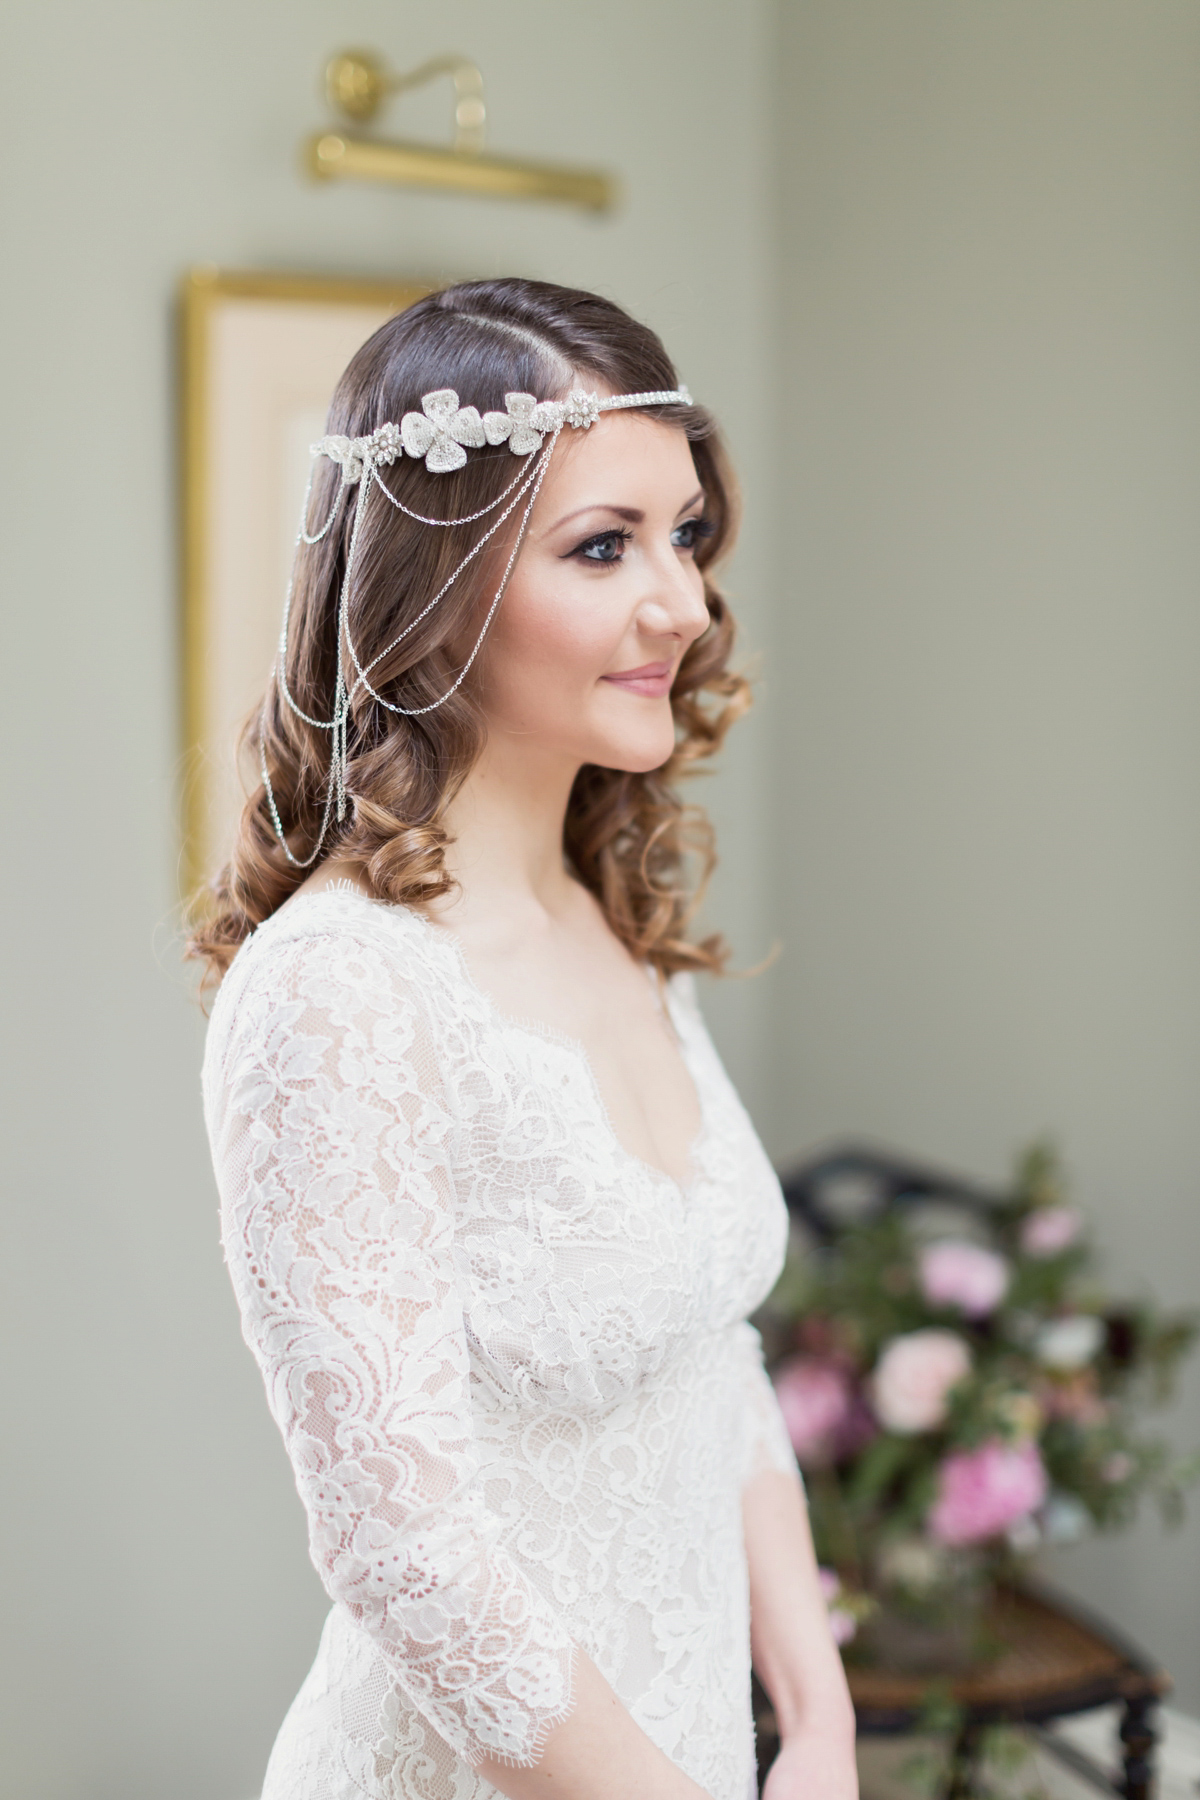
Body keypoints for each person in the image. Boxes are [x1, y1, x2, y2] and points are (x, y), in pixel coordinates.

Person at [192, 278, 857, 1800]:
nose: (681, 603)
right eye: (603, 546)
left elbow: (712, 1353)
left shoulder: (611, 917)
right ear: (437, 593)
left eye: (684, 535)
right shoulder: (340, 990)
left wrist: (815, 1720)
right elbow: (403, 1545)